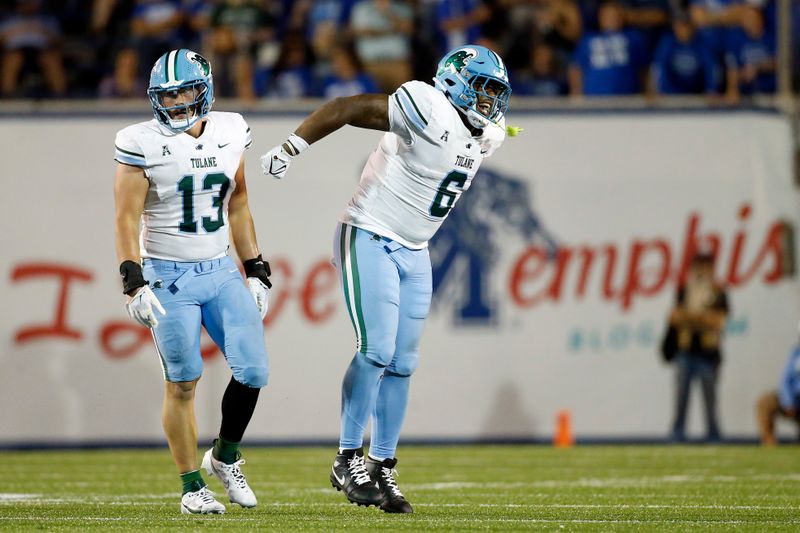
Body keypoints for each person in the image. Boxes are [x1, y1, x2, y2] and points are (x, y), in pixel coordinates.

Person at [260, 44, 511, 513]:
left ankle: (382, 465)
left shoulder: (486, 133)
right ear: (455, 83)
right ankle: (347, 456)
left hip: (416, 249)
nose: (489, 102)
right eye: (483, 89)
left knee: (403, 363)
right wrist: (293, 146)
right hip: (370, 233)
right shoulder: (427, 107)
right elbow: (348, 107)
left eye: (496, 92)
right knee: (375, 350)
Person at [113, 48, 271, 514]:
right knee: (183, 382)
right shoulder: (139, 141)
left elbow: (238, 202)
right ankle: (190, 487)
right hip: (167, 275)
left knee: (254, 370)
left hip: (220, 269)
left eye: (185, 91)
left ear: (205, 89)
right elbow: (125, 218)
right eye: (168, 94)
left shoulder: (230, 129)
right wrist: (133, 278)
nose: (178, 101)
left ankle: (224, 457)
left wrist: (256, 266)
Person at [667, 249, 729, 442]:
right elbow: (674, 317)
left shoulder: (718, 292)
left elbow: (717, 321)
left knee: (710, 399)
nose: (701, 271)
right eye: (698, 267)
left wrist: (691, 318)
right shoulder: (684, 290)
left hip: (707, 353)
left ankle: (713, 435)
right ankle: (678, 434)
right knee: (680, 398)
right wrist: (701, 319)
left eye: (705, 267)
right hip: (685, 351)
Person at [755, 332, 800, 445]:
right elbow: (785, 380)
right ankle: (769, 442)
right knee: (765, 402)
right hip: (795, 398)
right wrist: (789, 401)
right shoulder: (796, 353)